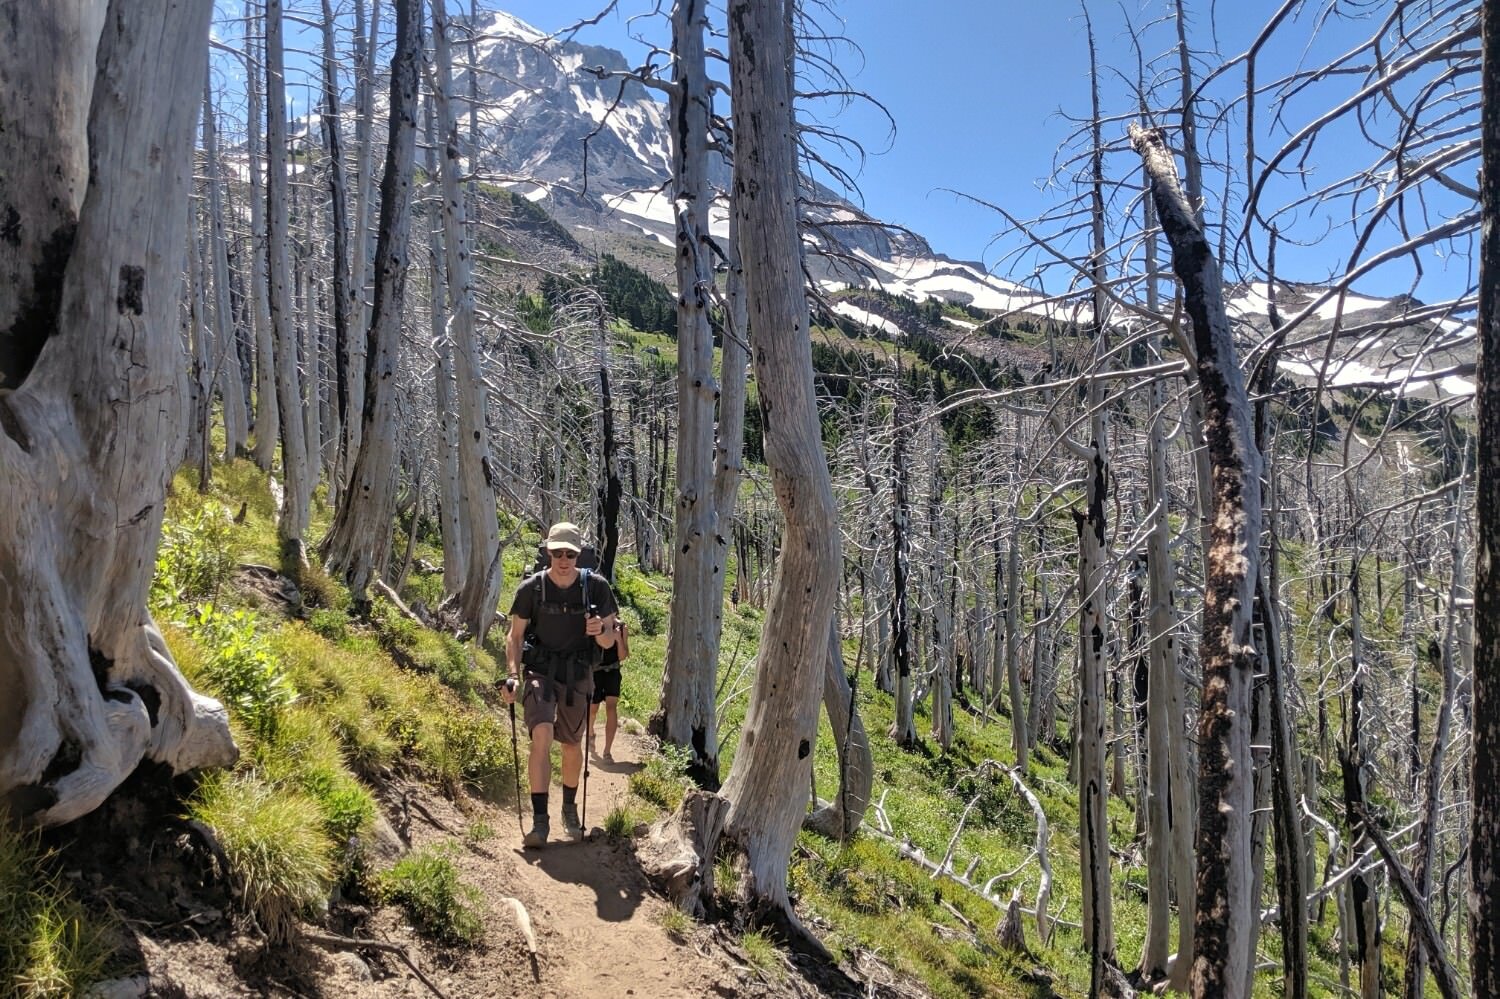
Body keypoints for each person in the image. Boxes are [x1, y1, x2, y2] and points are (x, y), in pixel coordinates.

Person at [501, 522, 619, 847]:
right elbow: (514, 636)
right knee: (541, 735)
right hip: (540, 671)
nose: (563, 559)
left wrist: (600, 632)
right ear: (548, 552)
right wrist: (513, 674)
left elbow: (611, 641)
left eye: (569, 553)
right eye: (557, 553)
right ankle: (540, 823)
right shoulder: (531, 589)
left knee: (570, 745)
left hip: (578, 675)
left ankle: (569, 809)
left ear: (578, 554)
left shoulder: (596, 588)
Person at [588, 617, 628, 762]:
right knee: (593, 709)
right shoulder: (594, 624)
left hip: (613, 671)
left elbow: (623, 656)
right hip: (595, 672)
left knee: (611, 708)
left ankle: (607, 751)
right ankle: (591, 733)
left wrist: (618, 639)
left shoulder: (622, 627)